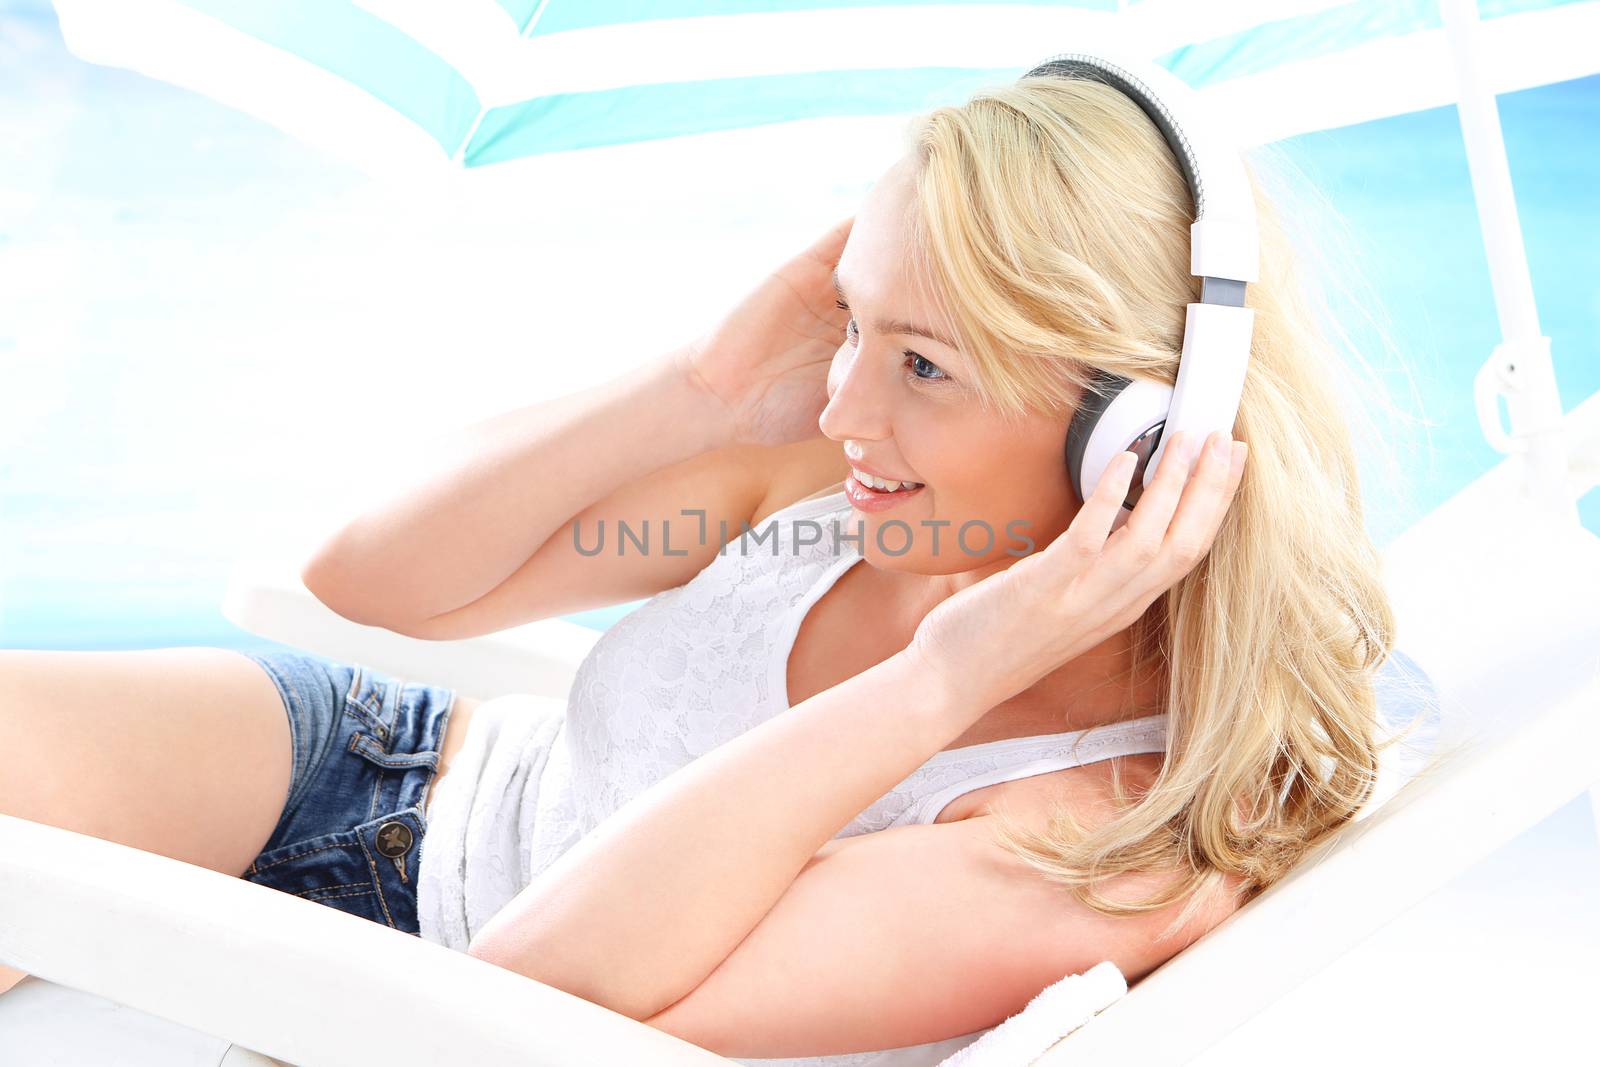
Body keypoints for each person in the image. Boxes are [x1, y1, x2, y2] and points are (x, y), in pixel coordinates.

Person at [0, 73, 1409, 1065]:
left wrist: (941, 683)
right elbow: (369, 577)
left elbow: (532, 1000)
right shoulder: (859, 488)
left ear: (1141, 433)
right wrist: (700, 386)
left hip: (425, 1010)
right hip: (396, 776)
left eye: (923, 363)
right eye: (853, 321)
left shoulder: (1107, 842)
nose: (850, 409)